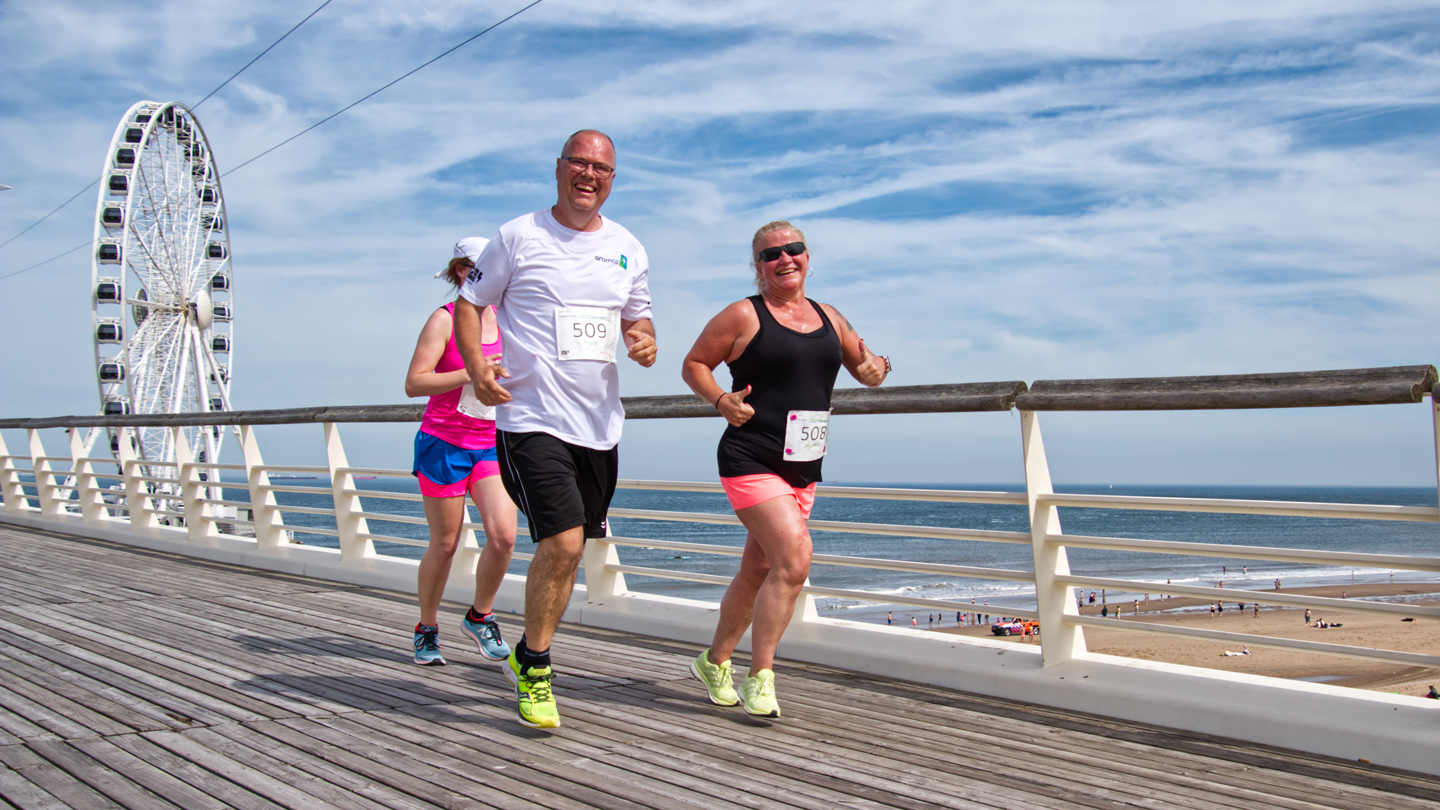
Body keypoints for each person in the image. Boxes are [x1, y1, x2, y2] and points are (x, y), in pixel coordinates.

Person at [454, 130, 656, 728]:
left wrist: (643, 342)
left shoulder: (629, 247)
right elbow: (469, 304)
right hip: (530, 418)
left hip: (599, 426)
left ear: (613, 178)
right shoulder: (519, 236)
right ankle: (538, 669)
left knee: (570, 552)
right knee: (563, 541)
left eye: (602, 167)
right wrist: (475, 367)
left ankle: (525, 650)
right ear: (560, 168)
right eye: (579, 163)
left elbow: (638, 320)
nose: (588, 175)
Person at [683, 221, 890, 718]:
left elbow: (868, 372)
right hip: (749, 456)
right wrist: (720, 400)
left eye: (793, 250)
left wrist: (878, 367)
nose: (784, 259)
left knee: (759, 567)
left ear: (808, 256)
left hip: (803, 464)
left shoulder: (829, 316)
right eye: (771, 254)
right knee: (795, 560)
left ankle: (714, 662)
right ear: (758, 267)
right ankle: (762, 677)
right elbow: (694, 364)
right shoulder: (742, 314)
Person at [403, 238, 518, 667]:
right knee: (446, 543)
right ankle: (426, 628)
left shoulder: (510, 320)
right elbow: (415, 383)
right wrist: (471, 371)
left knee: (504, 536)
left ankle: (479, 615)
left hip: (490, 440)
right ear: (459, 273)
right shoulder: (444, 320)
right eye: (476, 268)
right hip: (444, 443)